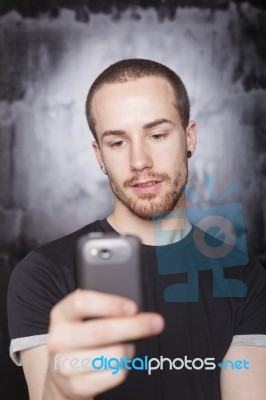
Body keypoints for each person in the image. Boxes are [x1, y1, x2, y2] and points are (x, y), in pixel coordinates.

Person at [7, 59, 266, 400]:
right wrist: (61, 391)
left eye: (157, 135)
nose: (139, 161)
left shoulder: (244, 277)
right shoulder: (43, 275)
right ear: (99, 156)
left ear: (190, 137)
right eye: (117, 143)